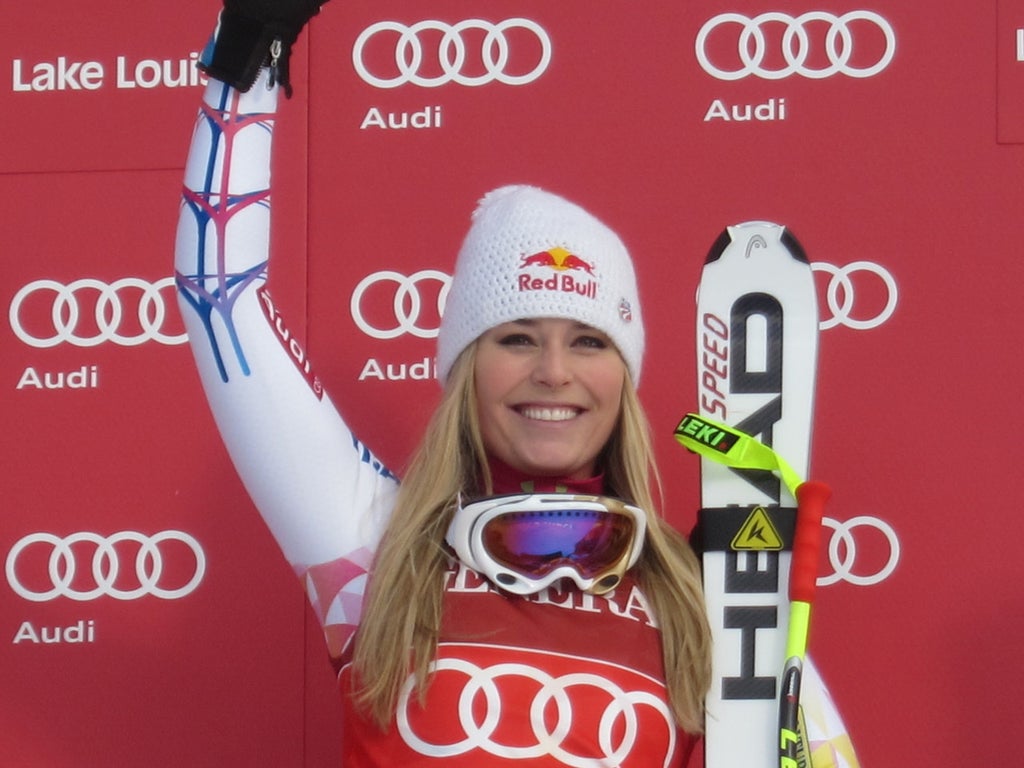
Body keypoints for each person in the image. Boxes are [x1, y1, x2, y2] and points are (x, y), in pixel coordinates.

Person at [175, 0, 711, 764]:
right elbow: (218, 296)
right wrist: (246, 64)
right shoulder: (372, 548)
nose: (554, 372)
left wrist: (751, 594)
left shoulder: (691, 592)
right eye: (517, 338)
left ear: (623, 376)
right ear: (464, 369)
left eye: (589, 340)